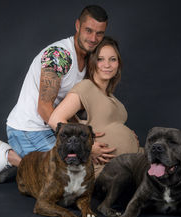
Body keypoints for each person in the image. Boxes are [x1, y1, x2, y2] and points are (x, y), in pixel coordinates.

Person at [0, 5, 115, 186]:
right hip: (28, 129)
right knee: (61, 181)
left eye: (99, 33)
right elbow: (44, 108)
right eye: (88, 30)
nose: (93, 39)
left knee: (80, 170)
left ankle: (28, 161)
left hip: (51, 127)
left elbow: (66, 107)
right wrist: (85, 146)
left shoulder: (88, 59)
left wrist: (87, 131)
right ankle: (9, 156)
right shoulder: (59, 55)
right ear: (77, 25)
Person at [48, 36, 144, 177]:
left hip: (131, 160)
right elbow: (54, 119)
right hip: (103, 168)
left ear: (118, 64)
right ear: (92, 62)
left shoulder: (112, 97)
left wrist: (129, 136)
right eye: (100, 59)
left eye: (113, 59)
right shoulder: (86, 87)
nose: (107, 65)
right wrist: (87, 146)